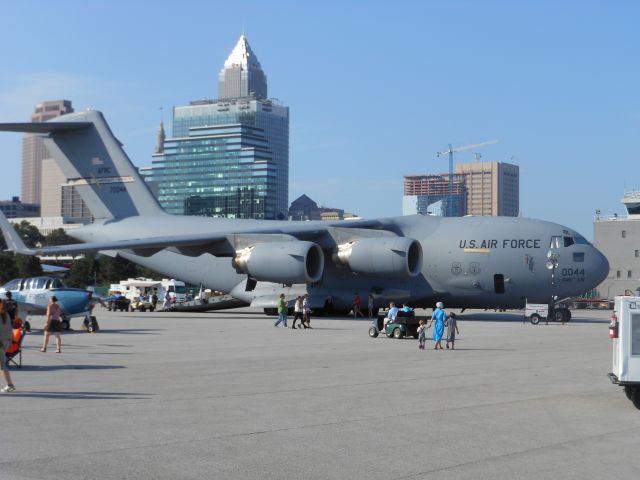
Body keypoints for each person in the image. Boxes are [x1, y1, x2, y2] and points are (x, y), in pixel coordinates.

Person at [0, 300, 16, 392]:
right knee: (1, 364)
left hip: (1, 342)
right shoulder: (7, 315)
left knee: (2, 364)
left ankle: (10, 385)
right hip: (6, 342)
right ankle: (9, 384)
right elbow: (10, 330)